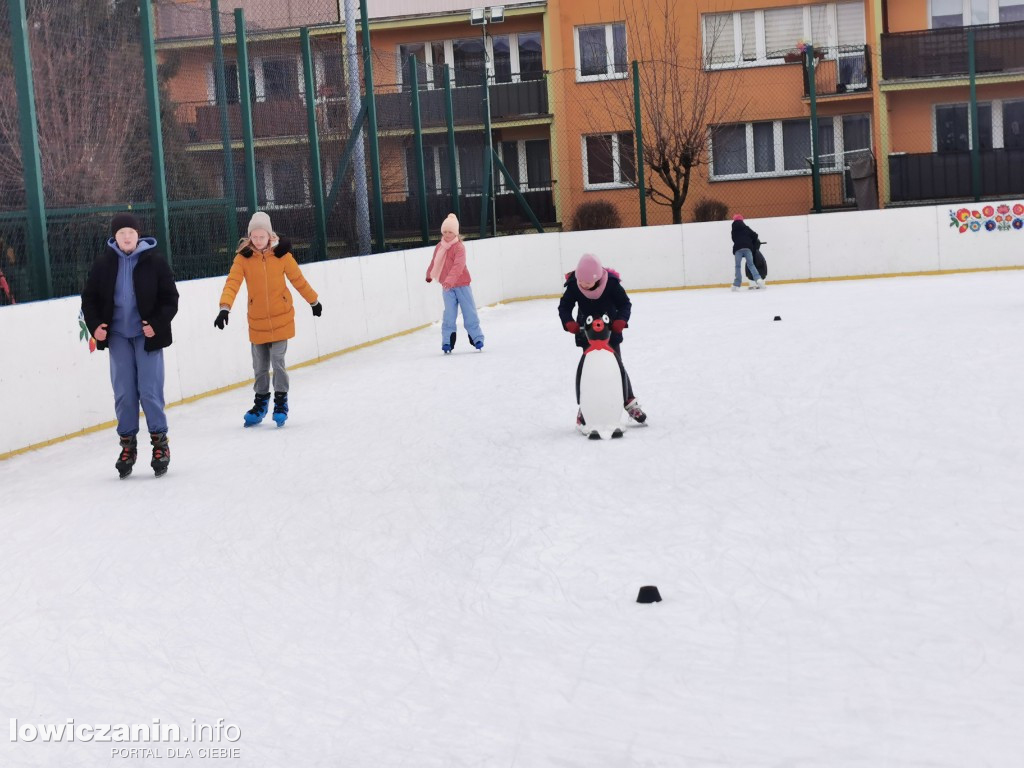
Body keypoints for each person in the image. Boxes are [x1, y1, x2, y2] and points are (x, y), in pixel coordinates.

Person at [81, 212, 179, 478]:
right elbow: (88, 298)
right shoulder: (104, 264)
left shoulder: (155, 263)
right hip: (118, 338)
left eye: (131, 233)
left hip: (147, 338)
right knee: (124, 393)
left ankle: (160, 445)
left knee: (150, 391)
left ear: (139, 236)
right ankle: (128, 447)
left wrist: (156, 323)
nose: (126, 237)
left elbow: (171, 299)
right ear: (114, 237)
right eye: (121, 233)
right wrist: (96, 325)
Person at [214, 211, 322, 427]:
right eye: (254, 237)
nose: (257, 241)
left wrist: (313, 301)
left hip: (282, 319)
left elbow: (298, 280)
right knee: (260, 366)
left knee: (278, 362)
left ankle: (281, 400)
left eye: (261, 237)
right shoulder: (243, 258)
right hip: (257, 321)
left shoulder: (282, 256)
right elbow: (232, 283)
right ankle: (261, 401)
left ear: (270, 236)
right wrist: (224, 308)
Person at [558, 253, 646, 427]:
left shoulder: (611, 284)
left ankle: (629, 402)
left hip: (610, 333)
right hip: (586, 334)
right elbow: (564, 306)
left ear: (597, 278)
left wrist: (621, 320)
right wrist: (569, 323)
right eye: (580, 281)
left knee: (618, 367)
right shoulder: (575, 285)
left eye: (587, 282)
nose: (583, 285)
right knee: (586, 371)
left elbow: (625, 304)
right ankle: (584, 408)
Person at [425, 213, 484, 354]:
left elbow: (458, 266)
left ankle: (476, 338)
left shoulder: (459, 248)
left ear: (456, 232)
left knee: (469, 312)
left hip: (462, 285)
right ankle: (447, 342)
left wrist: (449, 281)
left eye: (450, 232)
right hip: (447, 287)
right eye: (444, 232)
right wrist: (429, 274)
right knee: (449, 315)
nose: (447, 234)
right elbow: (434, 261)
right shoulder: (440, 246)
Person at [731, 214, 765, 291]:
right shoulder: (746, 228)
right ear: (742, 221)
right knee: (751, 265)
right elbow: (755, 235)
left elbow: (733, 239)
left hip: (738, 249)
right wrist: (750, 241)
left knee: (737, 266)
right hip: (747, 248)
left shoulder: (733, 230)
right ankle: (758, 279)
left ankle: (736, 284)